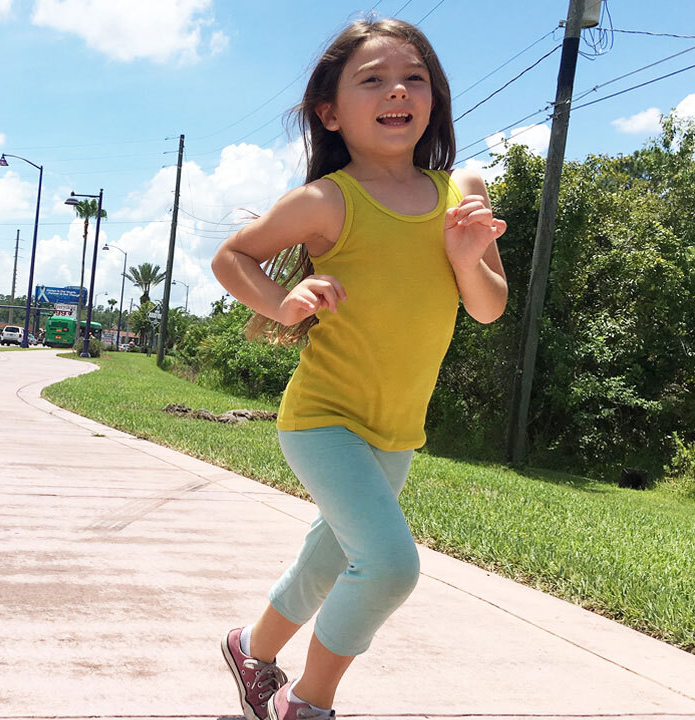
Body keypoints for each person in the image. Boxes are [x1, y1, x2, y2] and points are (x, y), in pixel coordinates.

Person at [212, 18, 507, 720]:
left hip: (396, 429)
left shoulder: (459, 188)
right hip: (322, 419)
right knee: (389, 567)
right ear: (331, 111)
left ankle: (250, 650)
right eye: (371, 80)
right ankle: (306, 706)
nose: (396, 91)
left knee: (331, 559)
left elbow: (490, 307)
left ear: (432, 96)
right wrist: (284, 304)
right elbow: (232, 258)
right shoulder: (329, 200)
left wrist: (467, 259)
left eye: (413, 77)